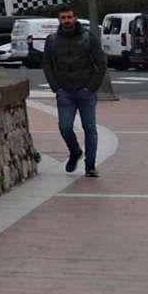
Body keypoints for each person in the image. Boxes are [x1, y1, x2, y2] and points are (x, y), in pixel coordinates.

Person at [40, 11, 107, 178]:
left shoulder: (88, 37)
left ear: (75, 18)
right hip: (65, 92)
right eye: (63, 17)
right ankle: (75, 151)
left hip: (85, 91)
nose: (67, 20)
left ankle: (90, 166)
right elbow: (47, 65)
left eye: (69, 17)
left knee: (89, 128)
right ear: (59, 19)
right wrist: (56, 88)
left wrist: (91, 87)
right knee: (65, 126)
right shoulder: (52, 40)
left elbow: (101, 63)